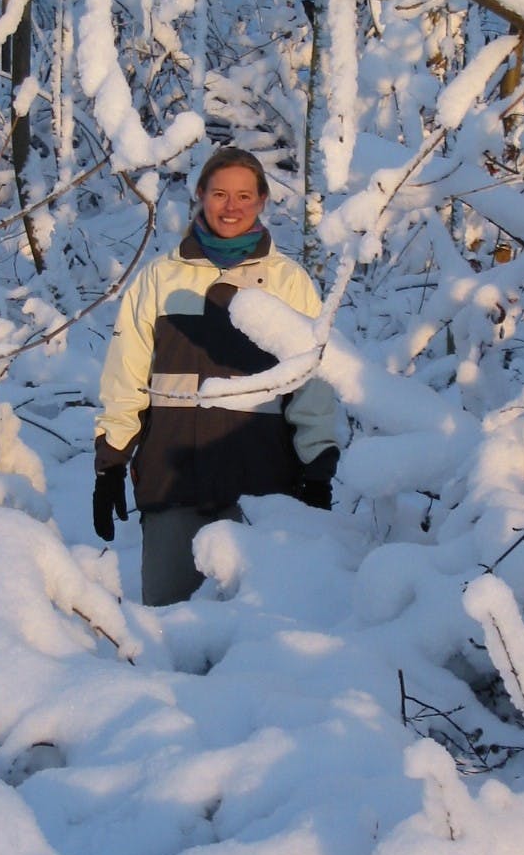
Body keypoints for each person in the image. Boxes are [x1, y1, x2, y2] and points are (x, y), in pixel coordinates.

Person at [92, 146, 339, 606]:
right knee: (168, 626)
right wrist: (111, 463)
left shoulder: (289, 282)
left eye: (244, 196)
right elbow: (126, 378)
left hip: (263, 488)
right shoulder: (160, 278)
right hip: (172, 484)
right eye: (220, 193)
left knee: (259, 630)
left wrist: (318, 467)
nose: (231, 207)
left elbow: (312, 385)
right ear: (201, 194)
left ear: (262, 200)